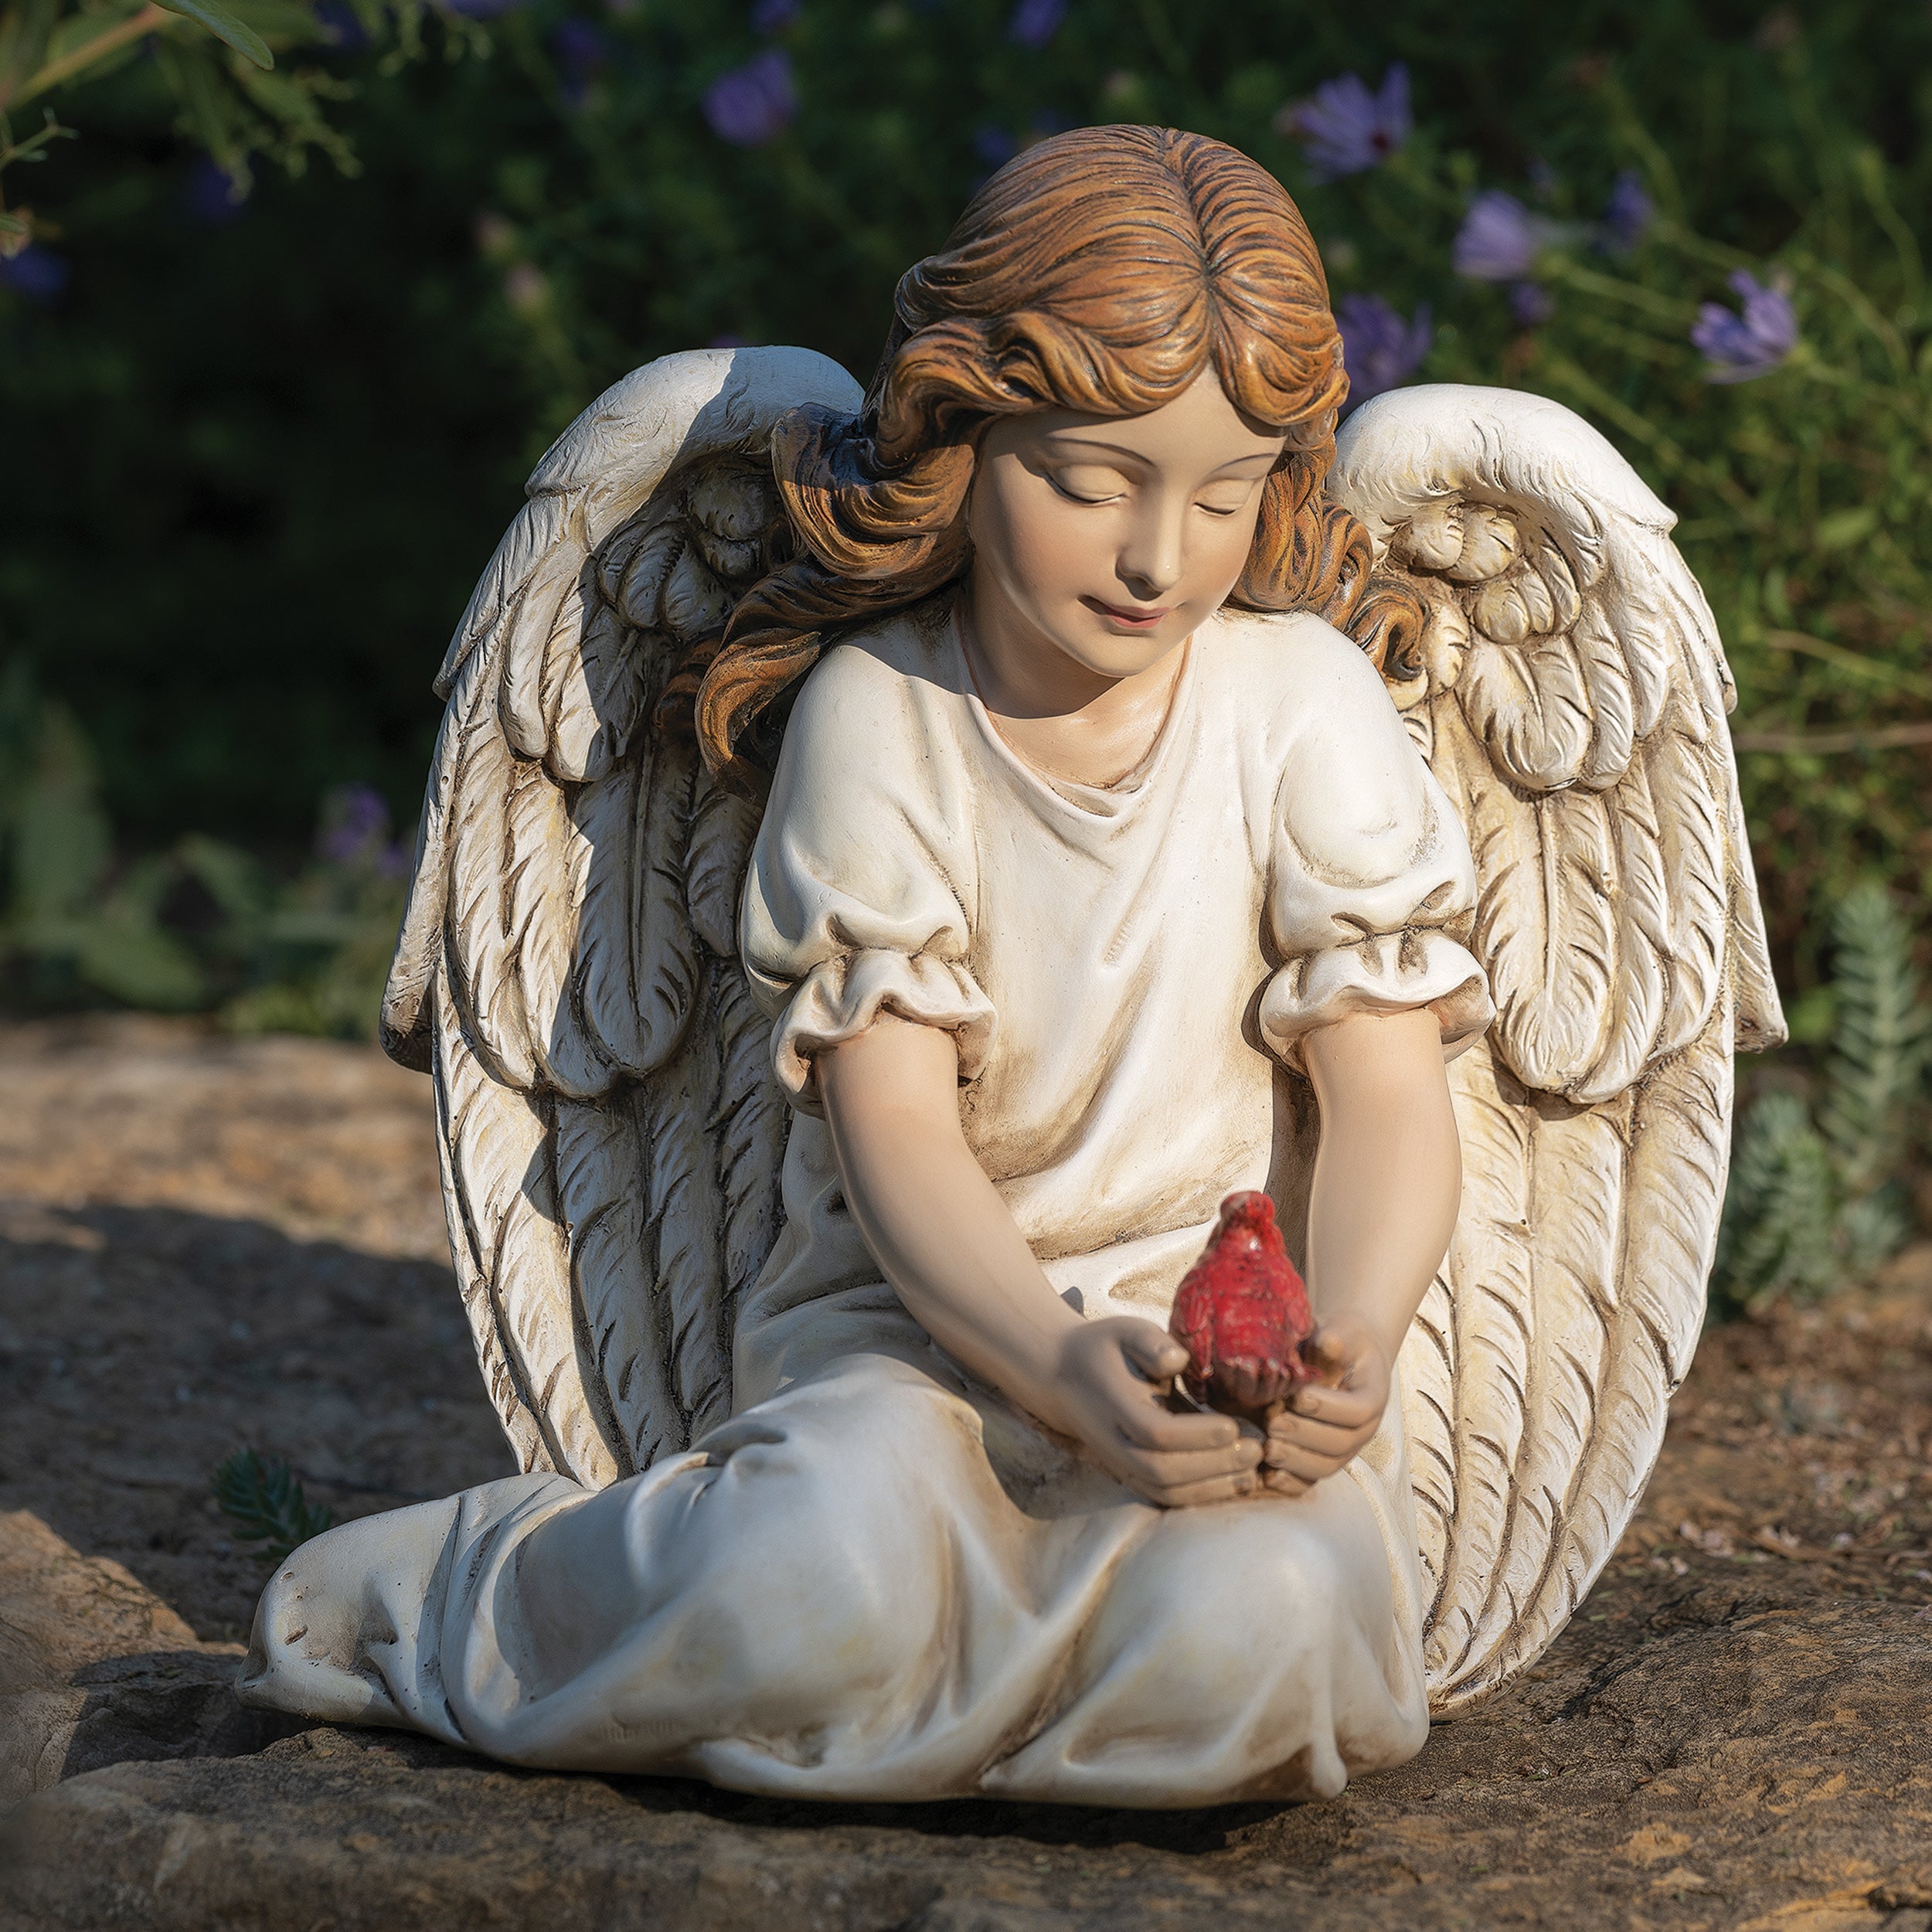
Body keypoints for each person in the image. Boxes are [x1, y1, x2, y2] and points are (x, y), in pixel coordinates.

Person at [241, 125, 1492, 1808]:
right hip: (919, 1347)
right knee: (807, 1581)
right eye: (1092, 482)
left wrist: (1349, 1342)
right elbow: (894, 1126)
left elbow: (1390, 1097)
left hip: (1213, 1380)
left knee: (1260, 1633)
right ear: (961, 437)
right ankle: (478, 1590)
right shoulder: (882, 714)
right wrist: (1053, 1366)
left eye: (1222, 493)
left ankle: (972, 1711)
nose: (1157, 557)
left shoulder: (1300, 704)